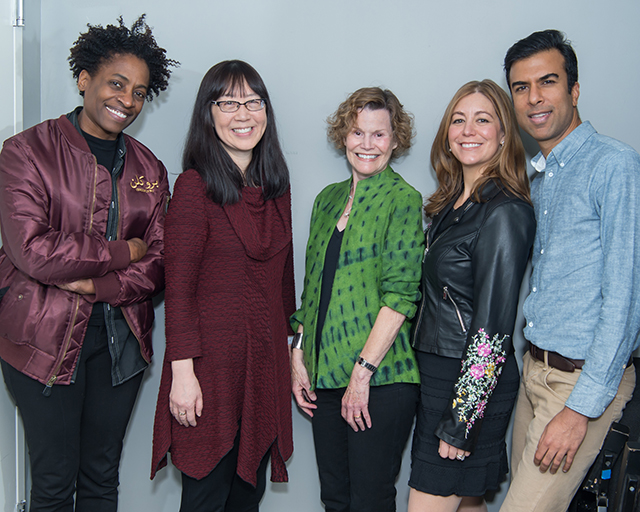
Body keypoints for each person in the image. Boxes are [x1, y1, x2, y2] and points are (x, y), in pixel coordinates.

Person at [0, 15, 176, 512]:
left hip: (120, 345)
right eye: (116, 83)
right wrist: (124, 252)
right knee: (54, 483)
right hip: (42, 340)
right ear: (84, 80)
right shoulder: (25, 152)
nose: (127, 100)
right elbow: (32, 250)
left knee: (101, 478)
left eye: (140, 91)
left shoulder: (149, 168)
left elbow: (163, 261)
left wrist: (98, 287)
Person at [499, 30, 640, 512]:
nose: (534, 98)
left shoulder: (615, 165)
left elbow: (625, 298)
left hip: (579, 383)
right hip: (534, 372)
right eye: (521, 87)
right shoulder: (541, 177)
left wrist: (580, 408)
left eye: (548, 82)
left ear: (574, 90)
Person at [151, 60, 295, 512]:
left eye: (253, 101)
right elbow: (179, 290)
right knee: (206, 497)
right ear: (208, 114)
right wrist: (183, 376)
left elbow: (283, 288)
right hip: (206, 374)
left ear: (266, 112)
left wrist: (293, 354)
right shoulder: (195, 187)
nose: (243, 114)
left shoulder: (276, 191)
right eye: (228, 102)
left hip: (261, 372)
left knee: (245, 499)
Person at [290, 87, 424, 512]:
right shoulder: (326, 201)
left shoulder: (402, 200)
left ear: (395, 140)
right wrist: (297, 353)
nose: (367, 144)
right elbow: (313, 289)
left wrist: (362, 374)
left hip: (380, 379)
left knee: (369, 500)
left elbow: (400, 296)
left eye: (378, 135)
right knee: (335, 498)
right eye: (357, 133)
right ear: (343, 137)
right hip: (325, 376)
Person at [408, 80, 535, 512]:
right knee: (467, 504)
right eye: (459, 120)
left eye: (483, 120)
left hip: (466, 383)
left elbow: (494, 328)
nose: (468, 130)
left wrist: (463, 419)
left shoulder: (505, 211)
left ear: (503, 134)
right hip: (438, 370)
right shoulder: (450, 206)